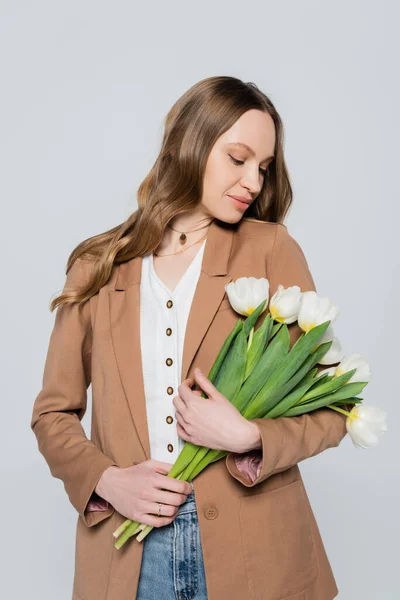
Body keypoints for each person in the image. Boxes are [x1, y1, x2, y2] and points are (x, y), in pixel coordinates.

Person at [31, 76, 351, 600]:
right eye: (238, 158)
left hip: (256, 551)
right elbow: (52, 413)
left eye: (264, 167)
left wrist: (249, 436)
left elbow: (333, 406)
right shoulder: (98, 266)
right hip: (129, 552)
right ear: (190, 145)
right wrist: (107, 480)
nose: (253, 180)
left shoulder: (270, 248)